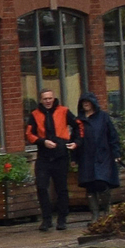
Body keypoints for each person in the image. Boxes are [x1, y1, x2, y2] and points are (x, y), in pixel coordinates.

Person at [23, 90, 81, 232]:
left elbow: (78, 125)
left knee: (61, 188)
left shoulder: (64, 111)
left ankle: (62, 219)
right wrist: (42, 142)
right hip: (44, 155)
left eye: (50, 98)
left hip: (60, 154)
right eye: (45, 99)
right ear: (41, 100)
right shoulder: (35, 115)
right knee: (42, 187)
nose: (48, 101)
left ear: (54, 98)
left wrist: (75, 142)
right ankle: (46, 219)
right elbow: (29, 134)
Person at [74, 93, 124, 223]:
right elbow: (75, 139)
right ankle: (95, 215)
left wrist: (116, 153)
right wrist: (73, 158)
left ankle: (106, 210)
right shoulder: (79, 120)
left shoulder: (103, 117)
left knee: (102, 182)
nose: (86, 104)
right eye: (83, 102)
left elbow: (113, 136)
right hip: (86, 157)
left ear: (93, 103)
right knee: (89, 185)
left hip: (103, 155)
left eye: (88, 102)